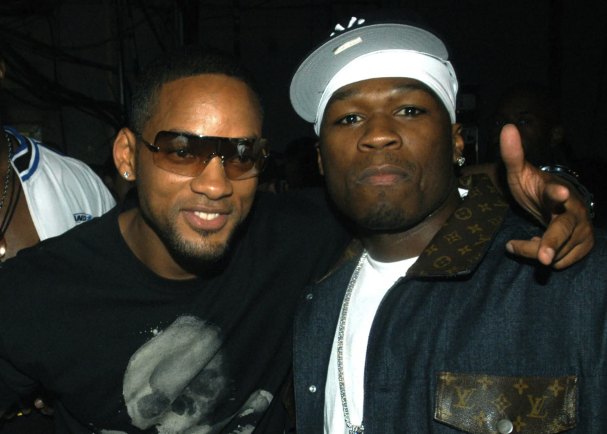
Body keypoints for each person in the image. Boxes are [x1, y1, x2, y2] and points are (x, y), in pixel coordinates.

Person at [0, 45, 595, 433]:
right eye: (182, 151)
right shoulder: (36, 293)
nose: (215, 184)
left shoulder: (298, 235)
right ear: (128, 156)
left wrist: (559, 189)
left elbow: (407, 187)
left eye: (241, 155)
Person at [289, 13, 605, 433]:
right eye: (349, 118)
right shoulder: (312, 290)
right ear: (320, 159)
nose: (378, 134)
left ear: (457, 140)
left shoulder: (572, 283)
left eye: (408, 110)